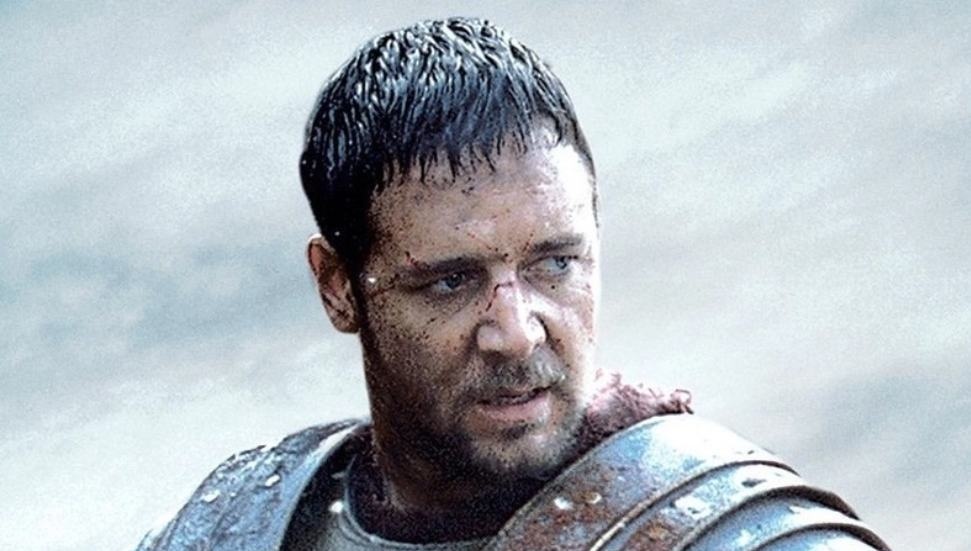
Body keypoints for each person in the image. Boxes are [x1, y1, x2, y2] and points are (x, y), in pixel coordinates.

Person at [136, 17, 890, 550]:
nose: (517, 333)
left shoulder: (738, 538)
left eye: (554, 264)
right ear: (339, 287)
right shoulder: (236, 528)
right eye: (450, 282)